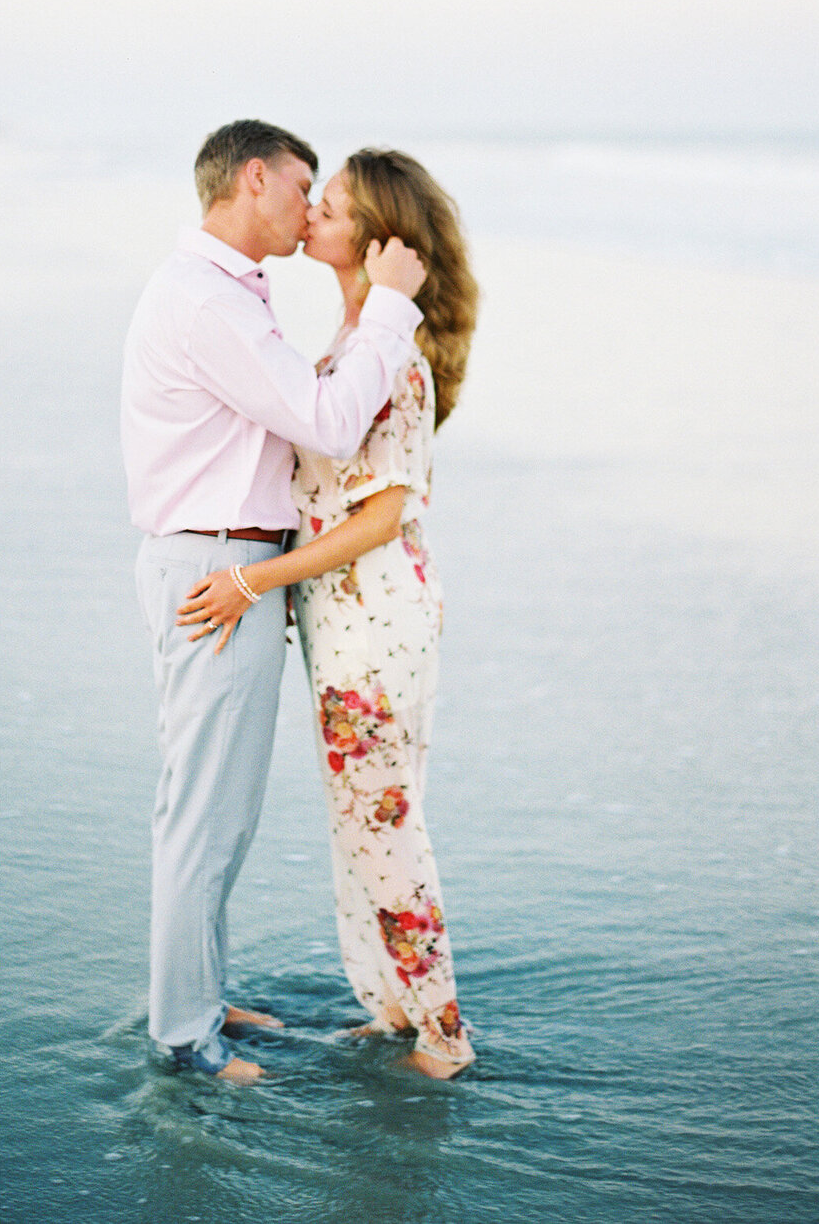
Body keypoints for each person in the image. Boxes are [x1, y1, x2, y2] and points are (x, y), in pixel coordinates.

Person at [121, 120, 426, 1085]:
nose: (310, 207)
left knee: (220, 814)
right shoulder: (209, 303)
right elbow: (331, 420)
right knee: (204, 817)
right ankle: (184, 1037)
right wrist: (389, 312)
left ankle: (199, 995)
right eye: (301, 187)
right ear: (253, 180)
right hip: (219, 575)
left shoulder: (219, 295)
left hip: (225, 569)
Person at [177, 149, 480, 1078]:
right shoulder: (355, 346)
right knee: (361, 819)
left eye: (333, 203)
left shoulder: (397, 359)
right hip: (349, 620)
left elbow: (382, 517)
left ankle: (443, 1033)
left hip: (375, 619)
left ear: (376, 236)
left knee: (383, 821)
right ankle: (391, 1006)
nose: (312, 211)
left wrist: (255, 582)